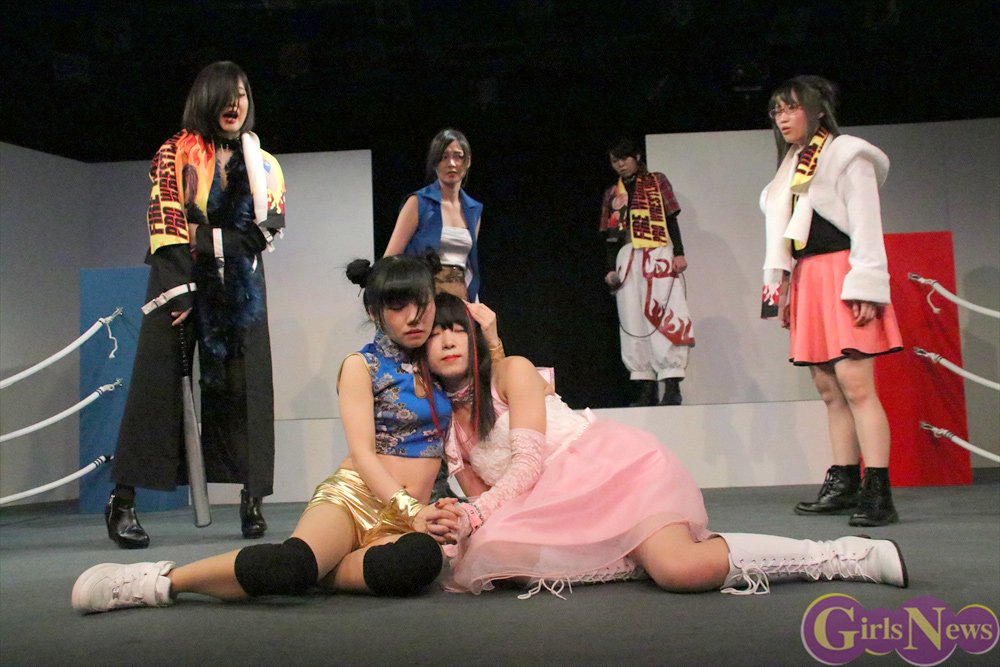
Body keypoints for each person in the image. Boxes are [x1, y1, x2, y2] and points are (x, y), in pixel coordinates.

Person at [423, 293, 907, 598]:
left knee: (681, 570)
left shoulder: (511, 371)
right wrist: (460, 519)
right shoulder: (445, 427)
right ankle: (633, 554)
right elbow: (485, 499)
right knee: (495, 555)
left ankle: (839, 555)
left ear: (474, 336)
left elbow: (527, 464)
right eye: (435, 333)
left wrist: (473, 514)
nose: (447, 340)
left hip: (612, 474)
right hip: (555, 506)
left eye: (457, 328)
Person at [72, 255, 457, 613]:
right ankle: (159, 580)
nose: (414, 317)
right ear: (374, 312)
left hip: (407, 520)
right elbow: (363, 454)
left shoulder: (442, 361)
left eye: (422, 304)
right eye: (398, 306)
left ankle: (320, 571)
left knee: (420, 562)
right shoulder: (362, 365)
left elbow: (483, 390)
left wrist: (484, 331)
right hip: (356, 499)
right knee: (293, 564)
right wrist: (414, 510)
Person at [106, 61, 287, 548]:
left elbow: (265, 232)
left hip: (241, 285)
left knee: (248, 386)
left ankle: (252, 497)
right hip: (179, 279)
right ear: (206, 99)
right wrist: (183, 286)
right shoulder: (175, 152)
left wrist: (204, 236)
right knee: (157, 387)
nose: (235, 104)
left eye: (242, 95)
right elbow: (166, 222)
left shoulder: (264, 163)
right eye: (225, 95)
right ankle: (123, 499)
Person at [760, 76, 903, 527]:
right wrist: (783, 288)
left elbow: (866, 223)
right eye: (777, 111)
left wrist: (865, 285)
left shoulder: (846, 153)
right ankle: (844, 483)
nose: (783, 118)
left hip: (843, 274)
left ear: (818, 109)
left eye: (791, 108)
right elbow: (786, 238)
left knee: (857, 385)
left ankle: (878, 492)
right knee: (828, 389)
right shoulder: (789, 167)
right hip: (809, 277)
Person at [599, 138, 693, 407]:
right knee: (632, 317)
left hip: (657, 251)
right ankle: (645, 385)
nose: (620, 165)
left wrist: (679, 252)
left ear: (636, 157)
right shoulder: (613, 193)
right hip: (628, 256)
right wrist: (609, 268)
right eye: (615, 161)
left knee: (663, 312)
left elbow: (670, 217)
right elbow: (610, 236)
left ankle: (672, 383)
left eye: (624, 158)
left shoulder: (656, 181)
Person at [384, 128, 485, 303]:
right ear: (434, 162)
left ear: (468, 161)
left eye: (458, 156)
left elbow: (468, 265)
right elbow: (390, 259)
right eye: (444, 157)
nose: (451, 163)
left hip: (460, 297)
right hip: (424, 296)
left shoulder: (473, 210)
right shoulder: (418, 203)